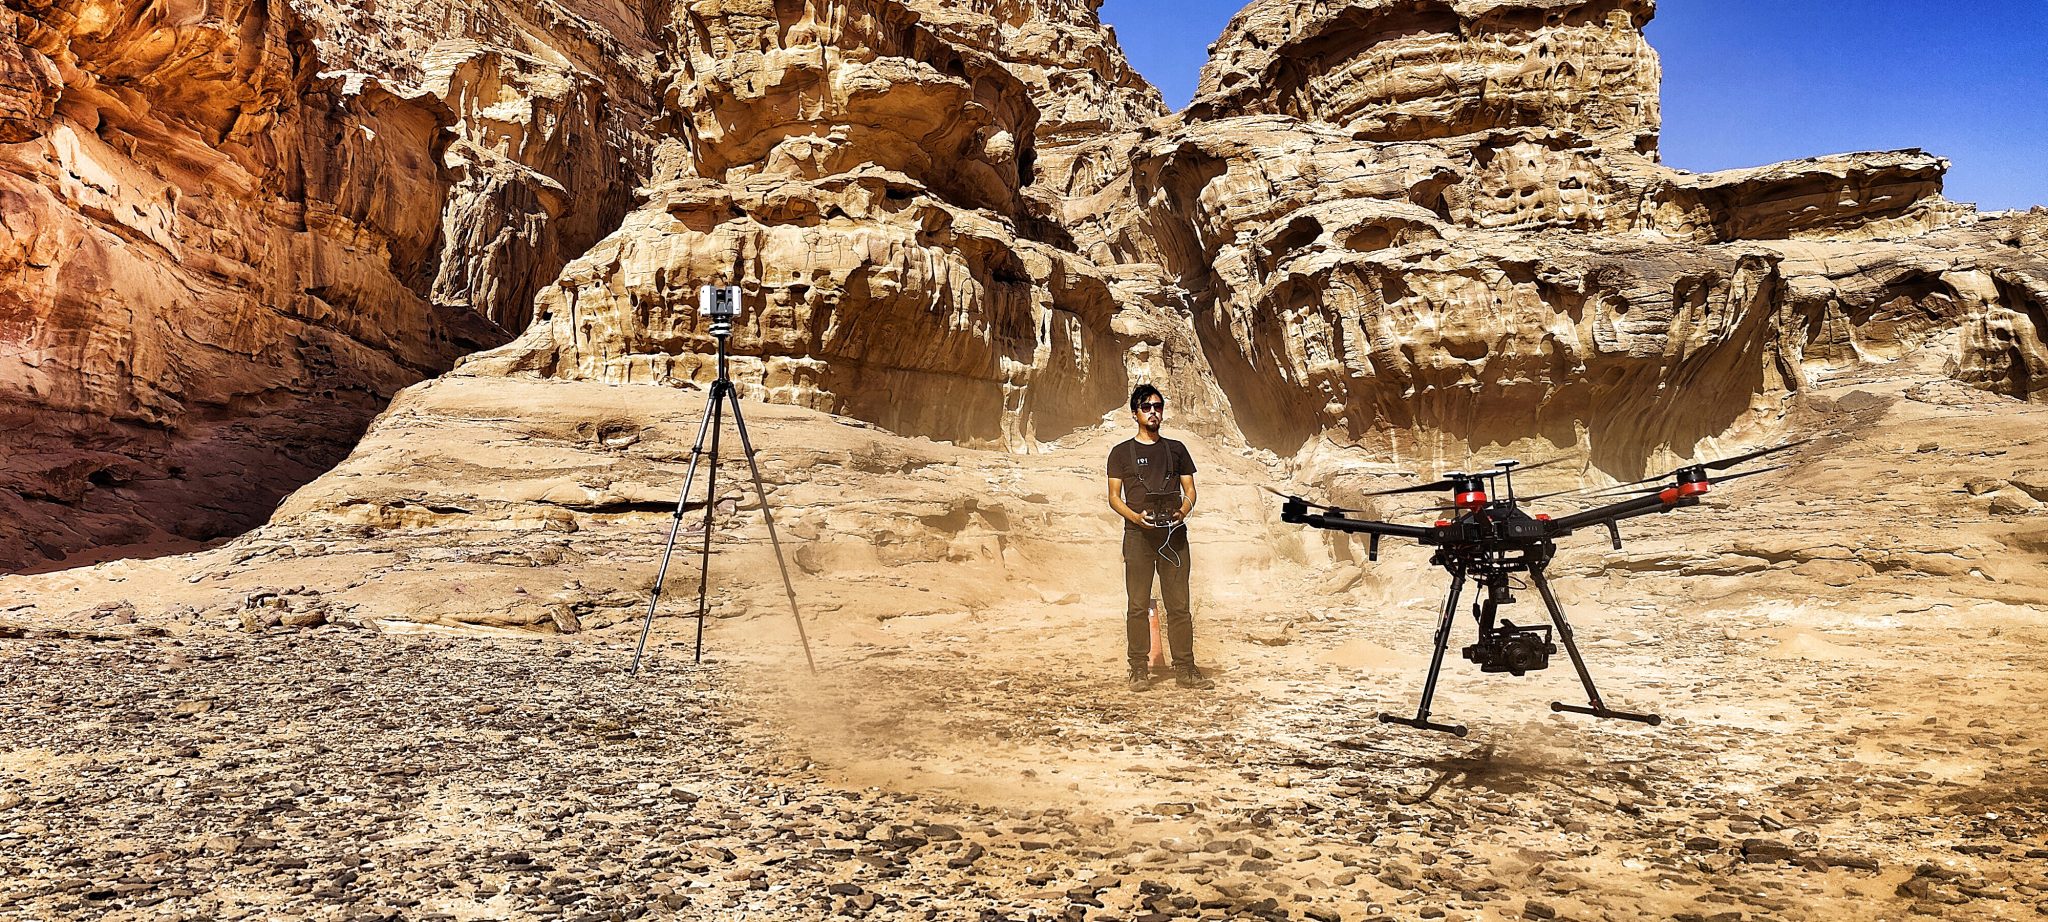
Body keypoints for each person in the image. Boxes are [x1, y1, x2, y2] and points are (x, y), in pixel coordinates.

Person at [1106, 384, 1213, 691]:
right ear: (1134, 413)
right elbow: (1114, 497)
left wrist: (1182, 510)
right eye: (1146, 407)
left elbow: (1190, 490)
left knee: (1179, 605)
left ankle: (1186, 669)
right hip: (1137, 536)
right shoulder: (1120, 453)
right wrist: (1136, 517)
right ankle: (1138, 669)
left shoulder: (1177, 449)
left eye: (1158, 406)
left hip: (1174, 535)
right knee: (1137, 605)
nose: (1153, 411)